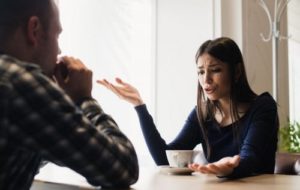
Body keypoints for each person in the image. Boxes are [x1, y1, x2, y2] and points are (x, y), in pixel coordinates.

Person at [0, 0, 139, 189]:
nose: (59, 50)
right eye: (57, 35)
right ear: (34, 30)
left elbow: (57, 147)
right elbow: (123, 168)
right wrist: (83, 99)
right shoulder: (18, 82)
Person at [97, 37, 279, 178]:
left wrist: (229, 168)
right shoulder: (203, 113)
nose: (205, 80)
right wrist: (140, 106)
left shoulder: (262, 107)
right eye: (200, 71)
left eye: (215, 70)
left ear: (236, 72)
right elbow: (165, 158)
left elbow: (250, 159)